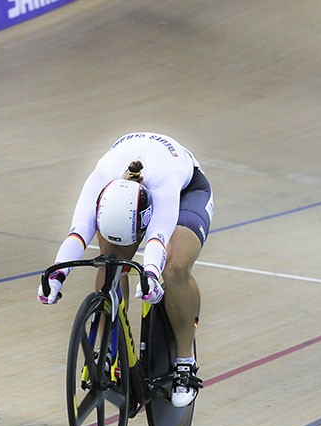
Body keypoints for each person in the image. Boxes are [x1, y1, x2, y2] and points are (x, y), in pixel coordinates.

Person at [38, 132, 214, 407]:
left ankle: (184, 363)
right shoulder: (101, 179)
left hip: (186, 192)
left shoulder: (165, 183)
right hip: (123, 198)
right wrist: (57, 276)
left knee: (174, 266)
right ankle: (108, 347)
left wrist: (152, 275)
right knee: (111, 263)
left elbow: (157, 237)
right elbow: (78, 233)